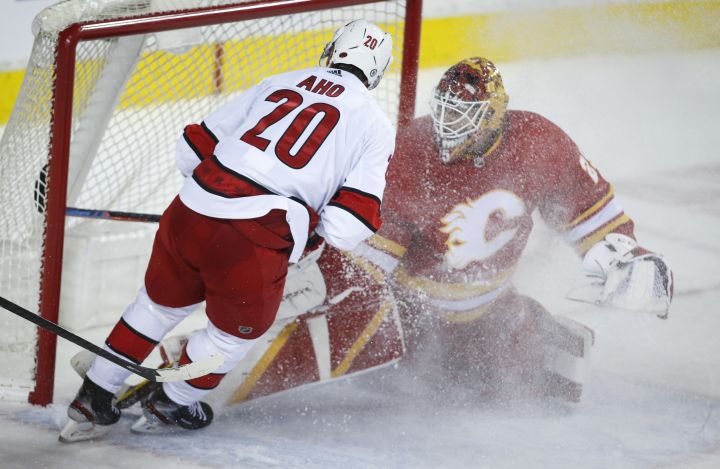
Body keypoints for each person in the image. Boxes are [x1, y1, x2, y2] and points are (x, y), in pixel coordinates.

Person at [60, 19, 396, 442]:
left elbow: (190, 151)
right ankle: (172, 402)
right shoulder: (375, 124)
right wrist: (309, 229)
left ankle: (94, 394)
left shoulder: (279, 80)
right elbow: (349, 226)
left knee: (156, 307)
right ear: (377, 73)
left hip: (188, 212)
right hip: (254, 239)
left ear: (331, 51)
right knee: (233, 337)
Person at [309, 57, 674, 402]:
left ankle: (531, 328)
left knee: (542, 387)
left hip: (492, 311)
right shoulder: (409, 153)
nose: (448, 123)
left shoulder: (537, 142)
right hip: (413, 320)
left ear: (493, 116)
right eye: (446, 109)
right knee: (405, 388)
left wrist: (625, 255)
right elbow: (368, 264)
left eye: (462, 113)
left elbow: (587, 209)